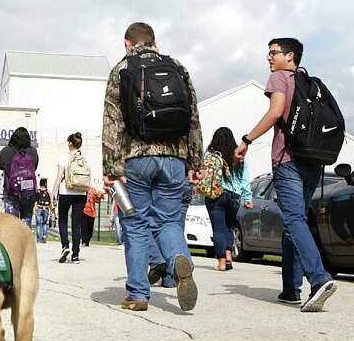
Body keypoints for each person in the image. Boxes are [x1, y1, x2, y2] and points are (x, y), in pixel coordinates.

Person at [103, 22, 202, 312]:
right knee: (169, 222)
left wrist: (111, 167)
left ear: (127, 42)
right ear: (154, 41)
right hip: (174, 159)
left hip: (136, 158)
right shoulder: (177, 67)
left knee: (135, 224)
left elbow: (112, 121)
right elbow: (193, 116)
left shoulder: (122, 68)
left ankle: (137, 295)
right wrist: (195, 161)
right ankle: (178, 261)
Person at [235, 37, 339, 312]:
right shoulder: (310, 83)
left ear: (290, 56)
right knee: (297, 222)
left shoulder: (280, 78)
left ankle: (318, 279)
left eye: (273, 53)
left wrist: (247, 139)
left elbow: (276, 111)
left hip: (288, 159)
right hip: (313, 160)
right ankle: (291, 288)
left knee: (293, 219)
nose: (269, 58)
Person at [200, 127, 254, 272]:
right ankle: (229, 256)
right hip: (234, 196)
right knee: (228, 227)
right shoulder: (238, 155)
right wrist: (248, 197)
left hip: (216, 194)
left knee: (218, 229)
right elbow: (244, 178)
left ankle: (222, 262)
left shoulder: (211, 155)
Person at [53, 132, 89, 263]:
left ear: (70, 143)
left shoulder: (64, 157)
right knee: (76, 224)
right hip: (81, 193)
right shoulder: (85, 158)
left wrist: (53, 192)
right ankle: (75, 255)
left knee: (62, 221)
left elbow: (59, 176)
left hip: (66, 192)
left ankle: (65, 246)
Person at [0, 127, 38, 225]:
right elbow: (35, 167)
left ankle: (12, 239)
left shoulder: (6, 151)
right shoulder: (33, 151)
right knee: (26, 220)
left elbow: (0, 166)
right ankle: (25, 239)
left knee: (11, 223)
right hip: (28, 190)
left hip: (12, 190)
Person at [34, 178, 52, 243]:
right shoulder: (48, 192)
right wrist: (51, 211)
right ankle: (44, 238)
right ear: (45, 184)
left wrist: (35, 209)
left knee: (39, 224)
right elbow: (50, 202)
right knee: (44, 224)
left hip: (39, 208)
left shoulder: (37, 191)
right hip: (46, 209)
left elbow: (35, 201)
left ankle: (39, 238)